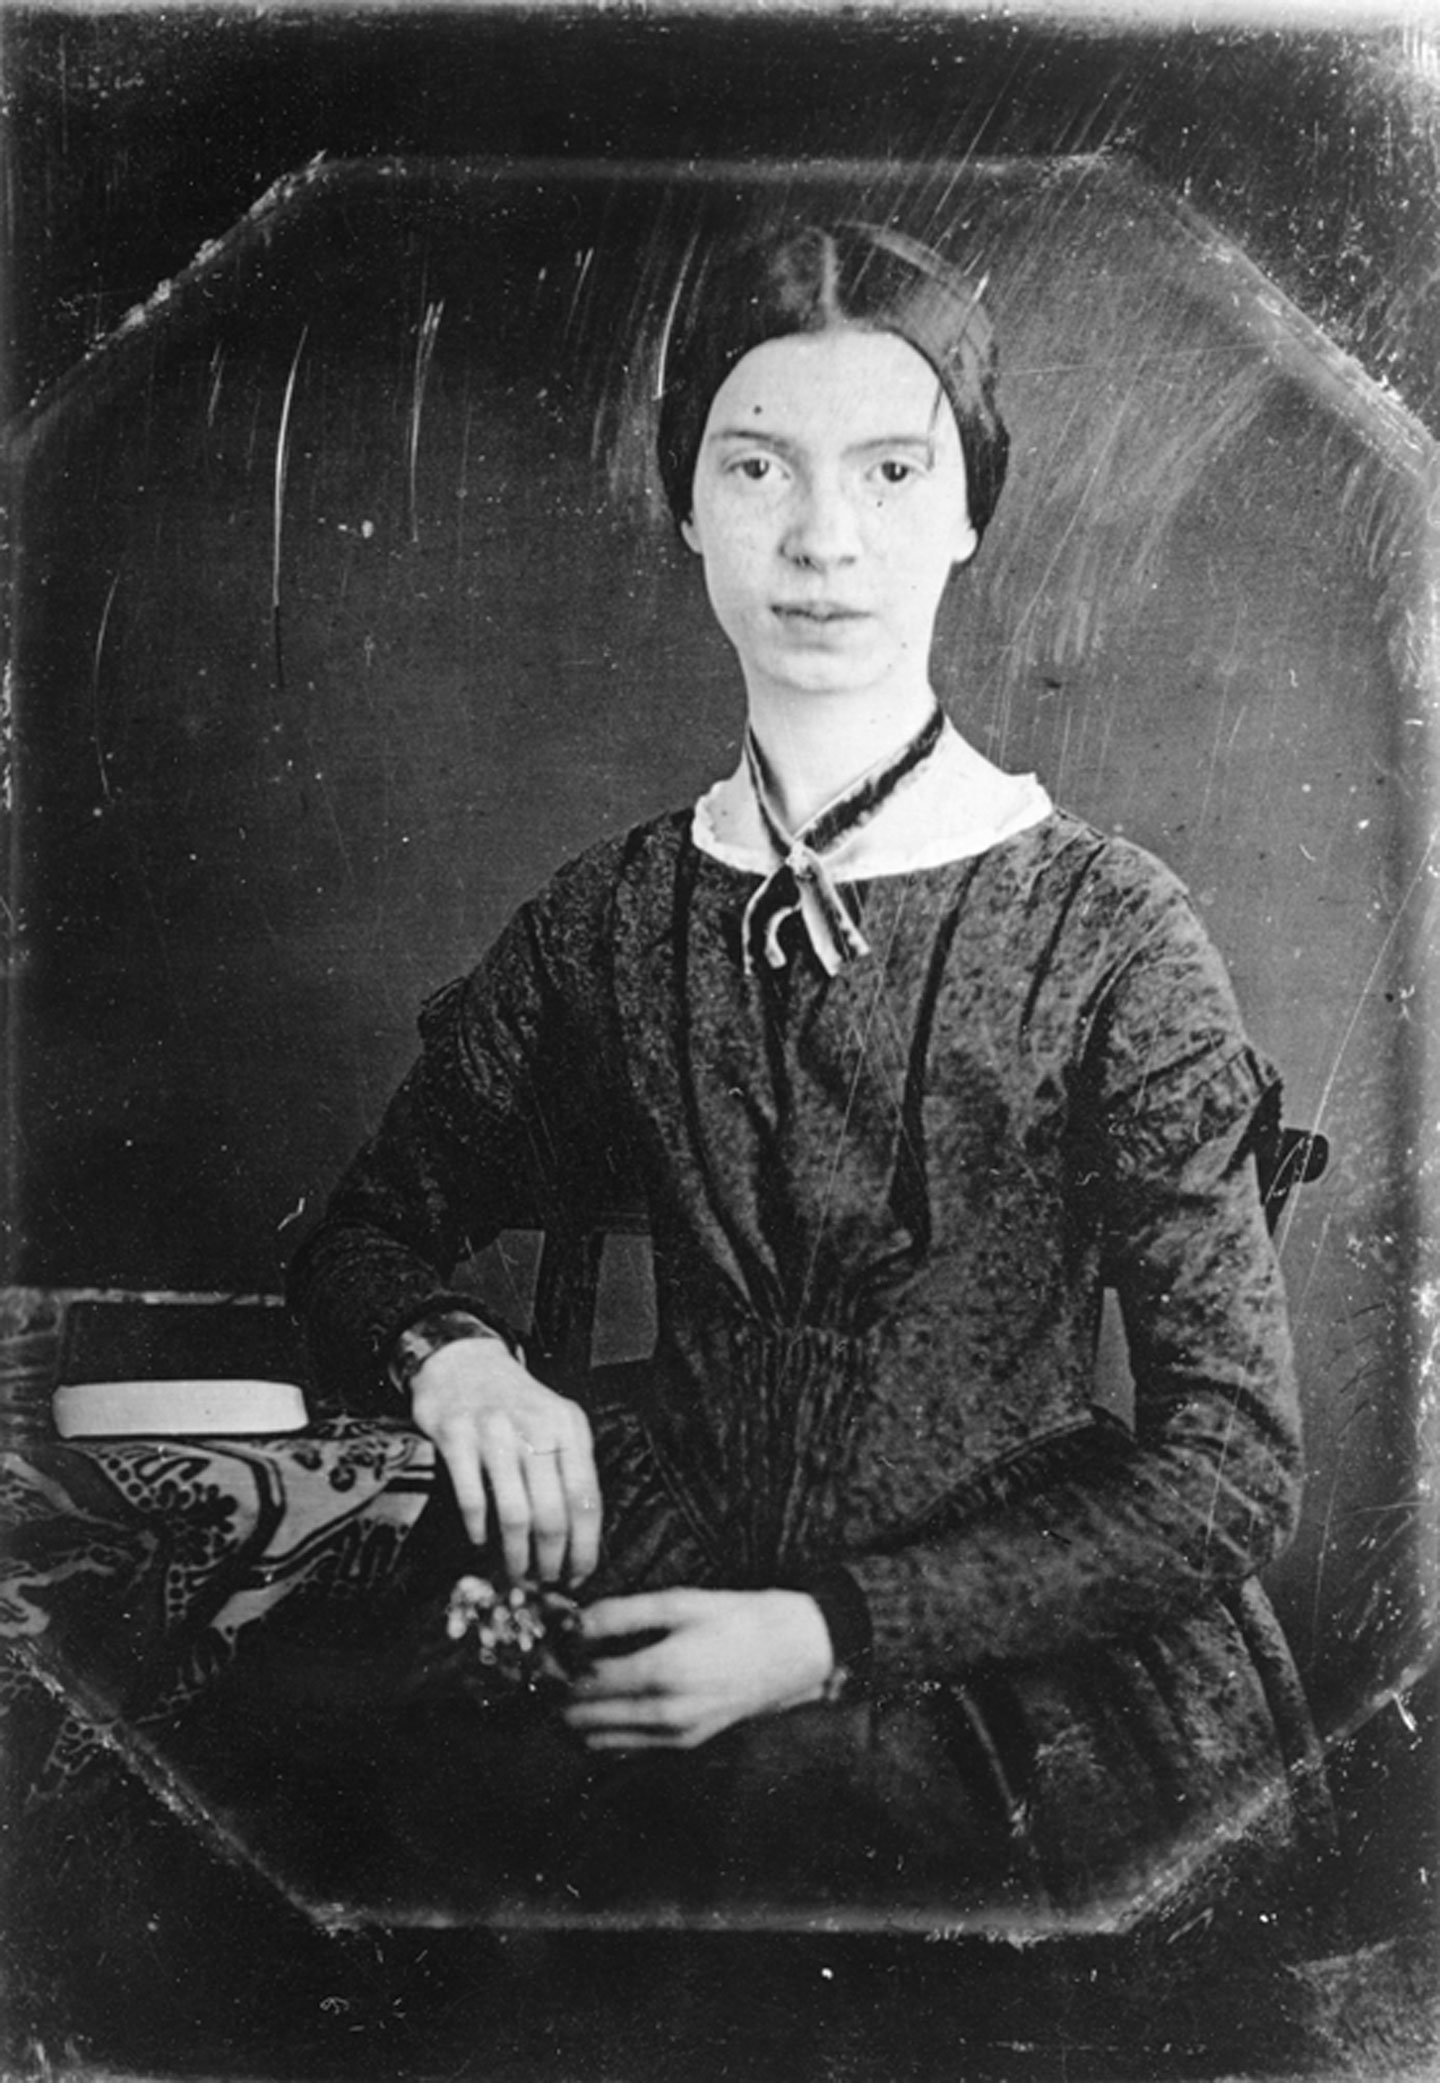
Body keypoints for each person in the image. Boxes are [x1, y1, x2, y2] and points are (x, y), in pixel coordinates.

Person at [287, 218, 1331, 1922]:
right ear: (687, 506)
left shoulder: (1113, 928)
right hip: (641, 1587)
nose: (824, 538)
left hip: (1001, 1676)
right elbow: (356, 1242)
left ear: (971, 509)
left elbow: (1232, 1466)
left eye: (892, 471)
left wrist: (826, 1635)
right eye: (758, 465)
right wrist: (456, 1361)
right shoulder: (610, 915)